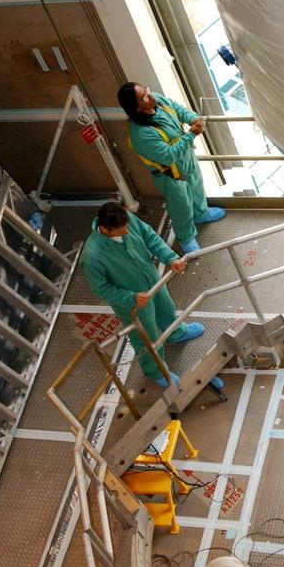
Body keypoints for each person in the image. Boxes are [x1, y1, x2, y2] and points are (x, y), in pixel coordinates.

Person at [82, 201, 224, 393]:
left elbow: (150, 238)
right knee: (145, 336)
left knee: (166, 309)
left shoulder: (127, 220)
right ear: (106, 230)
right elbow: (101, 289)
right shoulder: (93, 255)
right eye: (121, 231)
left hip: (152, 281)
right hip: (132, 303)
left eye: (127, 227)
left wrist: (170, 257)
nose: (126, 232)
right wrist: (130, 298)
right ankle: (156, 371)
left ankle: (175, 332)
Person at [117, 82, 226, 254]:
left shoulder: (157, 101)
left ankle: (201, 212)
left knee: (197, 189)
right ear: (136, 109)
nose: (151, 96)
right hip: (171, 175)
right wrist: (191, 135)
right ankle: (186, 237)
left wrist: (192, 118)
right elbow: (168, 156)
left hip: (187, 160)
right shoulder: (141, 134)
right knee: (180, 207)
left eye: (147, 90)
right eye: (144, 97)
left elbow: (176, 109)